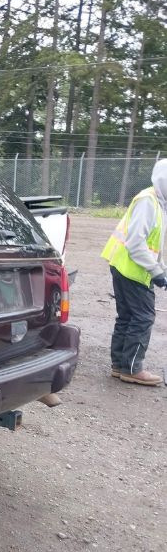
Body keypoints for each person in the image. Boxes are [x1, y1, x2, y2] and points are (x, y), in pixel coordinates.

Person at [101, 159, 167, 386]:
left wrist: (161, 269)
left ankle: (120, 365)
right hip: (133, 270)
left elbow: (152, 243)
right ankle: (132, 368)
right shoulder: (148, 202)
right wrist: (157, 272)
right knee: (143, 318)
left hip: (127, 266)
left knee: (128, 317)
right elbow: (136, 243)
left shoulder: (157, 202)